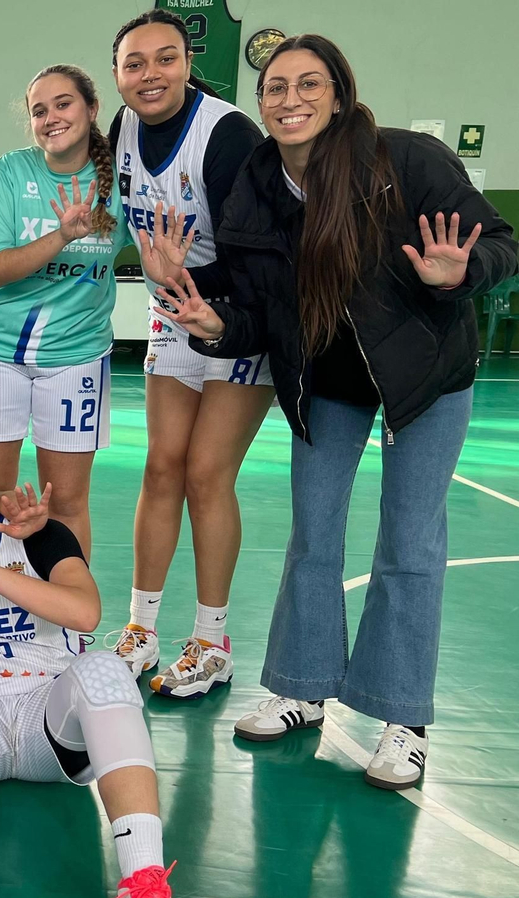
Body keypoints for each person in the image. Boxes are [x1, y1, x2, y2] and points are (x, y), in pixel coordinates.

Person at [152, 34, 517, 790]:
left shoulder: (406, 161)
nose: (290, 99)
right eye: (276, 88)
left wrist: (461, 273)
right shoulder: (255, 185)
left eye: (308, 84)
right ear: (262, 105)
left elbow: (502, 245)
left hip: (424, 375)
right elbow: (258, 311)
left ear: (340, 95)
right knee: (313, 535)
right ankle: (301, 687)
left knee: (409, 542)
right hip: (327, 378)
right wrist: (216, 324)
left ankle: (402, 717)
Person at [0, 444, 174, 898]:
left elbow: (85, 614)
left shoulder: (41, 536)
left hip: (49, 712)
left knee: (103, 669)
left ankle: (144, 881)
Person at [106, 9, 273, 699]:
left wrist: (201, 293)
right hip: (174, 312)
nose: (151, 74)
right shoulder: (120, 132)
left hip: (239, 315)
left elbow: (262, 253)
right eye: (135, 63)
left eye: (165, 59)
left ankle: (212, 640)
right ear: (117, 74)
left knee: (207, 473)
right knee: (161, 466)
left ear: (186, 62)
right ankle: (141, 627)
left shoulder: (227, 134)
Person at [0, 64, 127, 558]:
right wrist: (62, 236)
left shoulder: (119, 179)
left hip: (76, 357)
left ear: (92, 110)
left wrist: (166, 267)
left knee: (67, 501)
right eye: (38, 110)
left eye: (63, 104)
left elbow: (154, 249)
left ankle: (68, 625)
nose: (51, 117)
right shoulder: (11, 171)